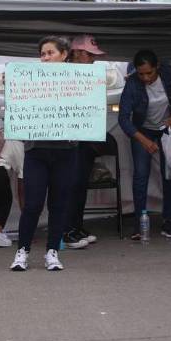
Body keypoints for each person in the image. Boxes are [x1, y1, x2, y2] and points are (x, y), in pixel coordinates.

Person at [10, 36, 78, 272]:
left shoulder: (78, 81)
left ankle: (52, 252)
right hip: (36, 151)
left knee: (58, 205)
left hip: (66, 152)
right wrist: (11, 86)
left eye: (50, 53)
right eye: (42, 54)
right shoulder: (31, 81)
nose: (46, 58)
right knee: (33, 204)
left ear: (64, 54)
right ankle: (23, 251)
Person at [118, 49, 171, 240]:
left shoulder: (170, 75)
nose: (145, 77)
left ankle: (168, 221)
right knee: (141, 176)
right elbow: (124, 119)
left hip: (168, 128)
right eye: (141, 74)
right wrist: (143, 140)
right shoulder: (132, 84)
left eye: (149, 73)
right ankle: (139, 223)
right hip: (143, 130)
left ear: (157, 66)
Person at [63, 35, 108, 247]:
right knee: (70, 185)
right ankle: (67, 231)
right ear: (78, 53)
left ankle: (76, 226)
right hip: (67, 140)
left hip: (86, 139)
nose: (92, 60)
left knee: (80, 185)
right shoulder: (60, 74)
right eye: (90, 55)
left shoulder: (89, 75)